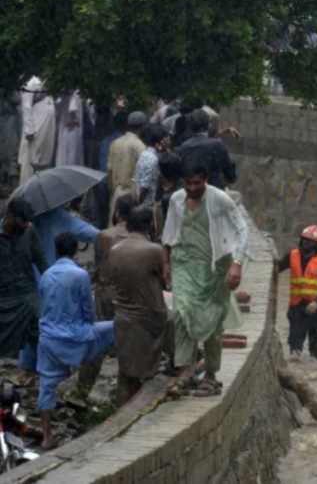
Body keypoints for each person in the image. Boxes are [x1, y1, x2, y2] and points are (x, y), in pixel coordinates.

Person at [161, 159, 248, 398]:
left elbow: (242, 230)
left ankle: (210, 374)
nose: (193, 188)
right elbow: (169, 232)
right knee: (182, 314)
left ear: (205, 180)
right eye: (188, 183)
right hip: (184, 264)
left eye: (197, 183)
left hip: (214, 268)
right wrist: (166, 262)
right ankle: (185, 371)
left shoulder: (220, 200)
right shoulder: (177, 199)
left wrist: (237, 263)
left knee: (212, 320)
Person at [37, 232, 115, 448]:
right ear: (75, 251)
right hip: (76, 339)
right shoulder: (80, 275)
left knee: (46, 385)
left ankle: (46, 436)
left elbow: (44, 306)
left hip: (49, 341)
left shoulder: (46, 276)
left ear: (56, 250)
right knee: (117, 326)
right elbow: (88, 311)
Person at [109, 206, 168, 406]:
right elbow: (167, 280)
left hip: (123, 317)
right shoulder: (154, 251)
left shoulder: (115, 250)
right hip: (149, 319)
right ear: (150, 225)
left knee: (126, 373)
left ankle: (120, 412)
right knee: (147, 375)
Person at [0, 198, 48, 360]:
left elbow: (41, 260)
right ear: (10, 217)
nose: (26, 225)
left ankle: (43, 369)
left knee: (41, 331)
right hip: (3, 297)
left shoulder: (29, 231)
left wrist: (53, 280)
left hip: (27, 293)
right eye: (22, 221)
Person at [278, 225, 317, 360]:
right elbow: (276, 269)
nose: (306, 243)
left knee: (316, 340)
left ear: (316, 244)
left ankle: (315, 363)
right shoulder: (292, 255)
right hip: (296, 304)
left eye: (310, 241)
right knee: (295, 338)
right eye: (304, 240)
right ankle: (295, 361)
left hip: (315, 306)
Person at [176, 109, 237, 190]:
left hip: (190, 192)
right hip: (213, 191)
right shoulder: (217, 145)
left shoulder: (183, 147)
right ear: (208, 126)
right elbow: (231, 176)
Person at [32, 200, 100, 267]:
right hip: (55, 266)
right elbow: (84, 230)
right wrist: (102, 236)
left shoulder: (29, 220)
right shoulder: (56, 215)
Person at [107, 110, 146, 222]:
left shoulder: (115, 143)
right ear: (142, 127)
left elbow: (109, 170)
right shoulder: (139, 146)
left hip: (116, 193)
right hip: (131, 197)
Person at [18, 76, 56, 186]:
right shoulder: (30, 83)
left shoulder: (49, 82)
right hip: (35, 128)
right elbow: (26, 107)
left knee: (44, 161)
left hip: (47, 128)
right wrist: (29, 131)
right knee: (30, 161)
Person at [134, 123, 170, 209]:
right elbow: (144, 187)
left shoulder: (145, 154)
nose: (168, 142)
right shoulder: (152, 159)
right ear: (160, 142)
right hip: (147, 206)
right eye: (166, 140)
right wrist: (138, 204)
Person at [54, 90, 85, 167]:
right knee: (71, 157)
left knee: (66, 156)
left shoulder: (65, 94)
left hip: (67, 129)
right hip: (71, 130)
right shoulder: (75, 94)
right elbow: (73, 109)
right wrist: (74, 121)